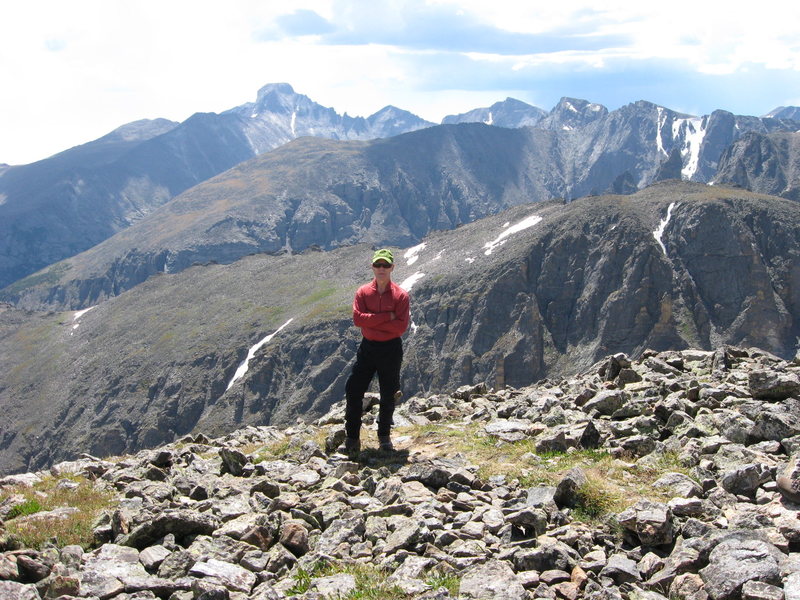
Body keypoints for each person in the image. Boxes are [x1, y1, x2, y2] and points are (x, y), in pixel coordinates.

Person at [341, 248, 410, 456]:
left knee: (389, 393)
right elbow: (357, 319)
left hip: (390, 348)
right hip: (368, 347)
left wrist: (372, 320)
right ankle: (352, 438)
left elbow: (400, 328)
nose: (381, 269)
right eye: (378, 265)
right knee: (353, 389)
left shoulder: (401, 295)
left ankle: (384, 437)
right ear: (372, 267)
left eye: (385, 265)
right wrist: (387, 317)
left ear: (392, 268)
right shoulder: (362, 292)